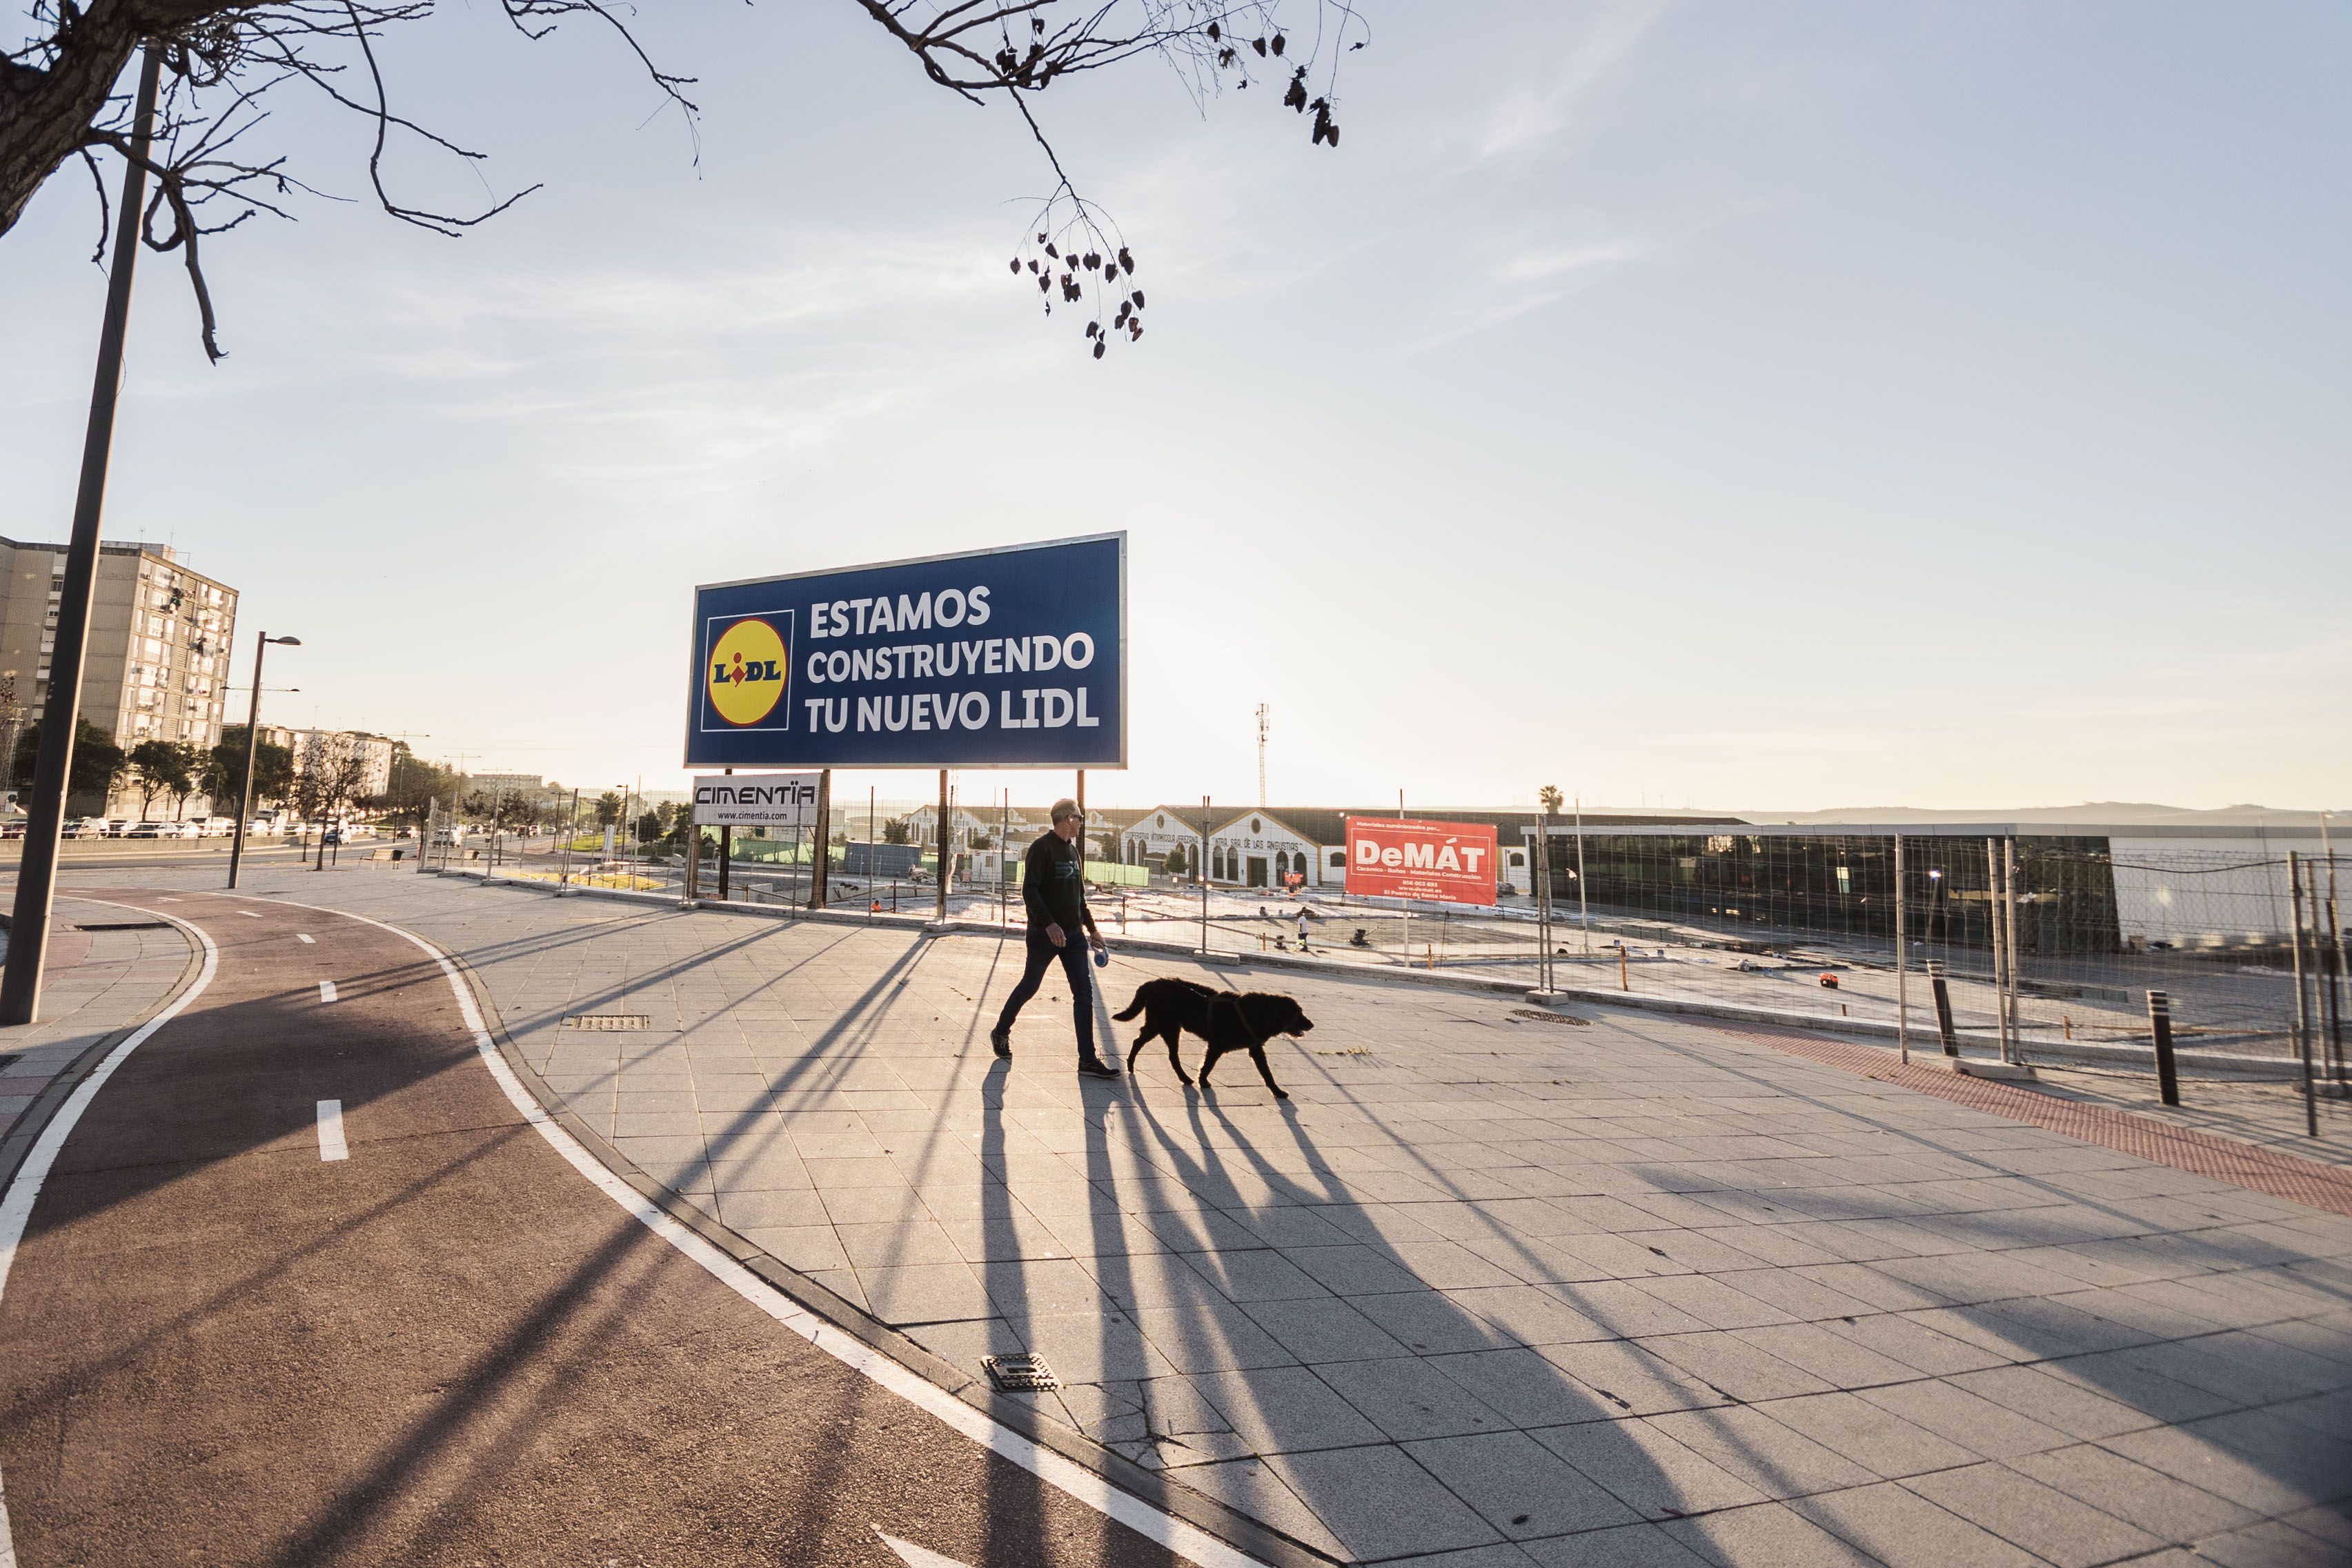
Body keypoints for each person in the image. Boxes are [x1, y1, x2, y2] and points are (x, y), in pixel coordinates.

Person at [991, 798, 1117, 1078]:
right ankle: (1001, 1031)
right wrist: (1049, 925)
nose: (1082, 823)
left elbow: (1079, 897)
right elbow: (1030, 891)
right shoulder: (1041, 848)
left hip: (1073, 936)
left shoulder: (1073, 852)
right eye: (1080, 817)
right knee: (1030, 986)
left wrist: (1092, 929)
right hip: (1044, 935)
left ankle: (1087, 1060)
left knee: (1084, 994)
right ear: (1067, 819)